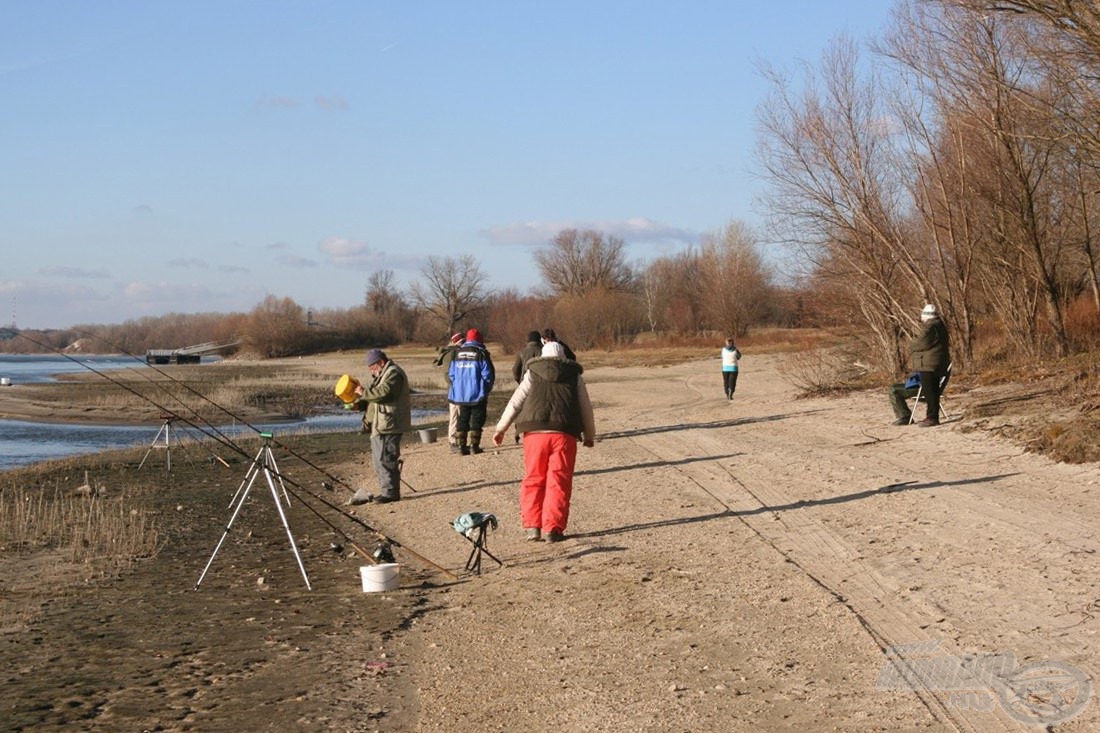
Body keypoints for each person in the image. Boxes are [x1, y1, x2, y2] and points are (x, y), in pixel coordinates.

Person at [492, 342, 596, 543]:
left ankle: (533, 527)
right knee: (559, 481)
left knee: (533, 478)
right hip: (564, 433)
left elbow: (515, 402)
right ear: (563, 357)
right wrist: (589, 435)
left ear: (542, 356)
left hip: (534, 433)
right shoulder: (575, 376)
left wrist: (500, 429)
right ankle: (553, 529)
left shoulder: (532, 373)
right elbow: (586, 408)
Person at [346, 349, 413, 505]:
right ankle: (387, 490)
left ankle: (390, 493)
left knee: (386, 458)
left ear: (381, 362)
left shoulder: (393, 373)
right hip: (381, 423)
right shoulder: (383, 374)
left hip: (390, 423)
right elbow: (374, 398)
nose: (371, 370)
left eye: (372, 367)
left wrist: (364, 392)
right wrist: (359, 404)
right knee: (379, 460)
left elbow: (384, 393)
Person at [448, 328, 495, 455]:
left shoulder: (456, 353)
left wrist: (458, 387)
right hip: (477, 393)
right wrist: (486, 388)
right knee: (477, 419)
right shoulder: (481, 353)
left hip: (461, 394)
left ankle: (461, 447)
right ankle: (475, 446)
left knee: (462, 419)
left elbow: (451, 375)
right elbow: (487, 375)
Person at [910, 303, 951, 427]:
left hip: (928, 363)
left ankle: (932, 417)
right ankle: (932, 416)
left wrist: (912, 344)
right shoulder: (940, 325)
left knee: (929, 391)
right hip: (937, 361)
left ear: (926, 315)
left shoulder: (930, 327)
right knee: (933, 391)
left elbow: (920, 343)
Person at [510, 330, 544, 444]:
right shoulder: (543, 350)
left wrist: (520, 382)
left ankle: (517, 433)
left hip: (525, 384)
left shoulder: (522, 352)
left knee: (521, 409)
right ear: (539, 339)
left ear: (528, 340)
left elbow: (515, 370)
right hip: (540, 385)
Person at [435, 332, 464, 452]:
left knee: (461, 415)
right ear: (456, 343)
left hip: (461, 390)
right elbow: (447, 376)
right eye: (462, 342)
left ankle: (460, 441)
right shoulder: (450, 355)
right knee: (455, 415)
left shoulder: (458, 352)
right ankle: (452, 441)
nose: (464, 344)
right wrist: (457, 385)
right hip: (455, 391)